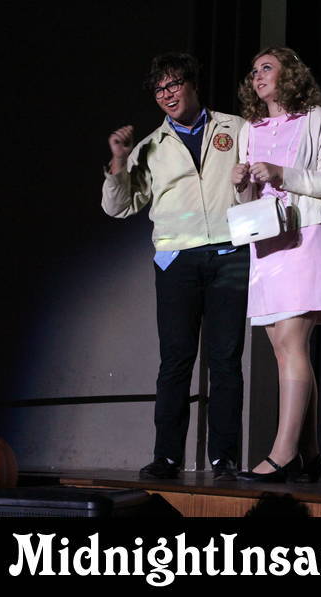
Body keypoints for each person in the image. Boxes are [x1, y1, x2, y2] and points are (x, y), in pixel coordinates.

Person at [102, 52, 248, 481]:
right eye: (159, 89)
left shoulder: (235, 128)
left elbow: (269, 162)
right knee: (176, 361)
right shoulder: (150, 146)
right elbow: (118, 206)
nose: (167, 94)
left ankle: (224, 458)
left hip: (229, 254)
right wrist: (118, 161)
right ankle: (167, 457)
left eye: (174, 84)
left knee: (226, 361)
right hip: (177, 260)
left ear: (192, 83)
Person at [231, 47, 321, 482]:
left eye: (267, 67)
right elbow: (247, 199)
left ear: (290, 75)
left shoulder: (315, 118)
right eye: (254, 70)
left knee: (292, 343)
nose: (257, 75)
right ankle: (310, 452)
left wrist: (282, 173)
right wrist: (241, 183)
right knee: (284, 350)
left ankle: (282, 454)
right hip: (267, 243)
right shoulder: (250, 129)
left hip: (305, 235)